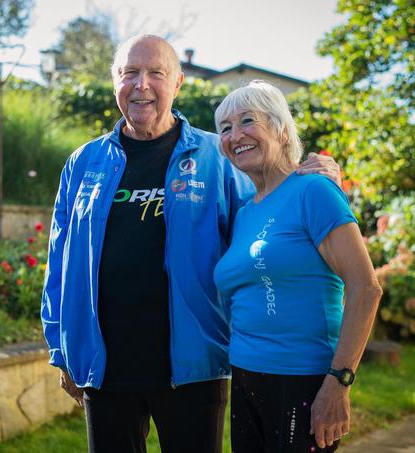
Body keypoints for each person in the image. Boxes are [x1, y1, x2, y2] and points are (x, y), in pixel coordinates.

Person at [41, 35, 341, 453]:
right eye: (129, 73)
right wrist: (61, 349)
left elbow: (266, 214)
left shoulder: (216, 156)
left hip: (193, 366)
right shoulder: (84, 161)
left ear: (178, 83)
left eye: (155, 73)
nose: (141, 84)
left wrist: (307, 174)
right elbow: (60, 260)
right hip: (105, 367)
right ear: (116, 83)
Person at [212, 80, 382, 452]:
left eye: (247, 121)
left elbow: (366, 287)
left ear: (282, 129)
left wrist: (339, 381)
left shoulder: (314, 191)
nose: (235, 135)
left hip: (301, 379)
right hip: (244, 376)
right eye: (225, 128)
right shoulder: (245, 212)